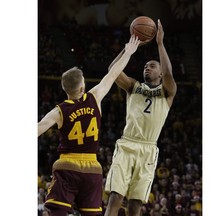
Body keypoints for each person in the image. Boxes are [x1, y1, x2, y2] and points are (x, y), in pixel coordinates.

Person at [38, 35, 140, 216]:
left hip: (67, 167)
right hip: (92, 169)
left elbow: (38, 128)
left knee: (56, 212)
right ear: (82, 88)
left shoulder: (59, 111)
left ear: (65, 89)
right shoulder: (95, 97)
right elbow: (113, 73)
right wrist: (128, 52)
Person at [104, 19, 177, 216]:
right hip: (128, 144)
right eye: (145, 65)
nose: (147, 68)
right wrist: (129, 48)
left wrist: (160, 44)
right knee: (115, 197)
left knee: (136, 203)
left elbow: (169, 73)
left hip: (148, 148)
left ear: (160, 73)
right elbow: (113, 70)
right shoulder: (133, 86)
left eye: (152, 66)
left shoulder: (167, 92)